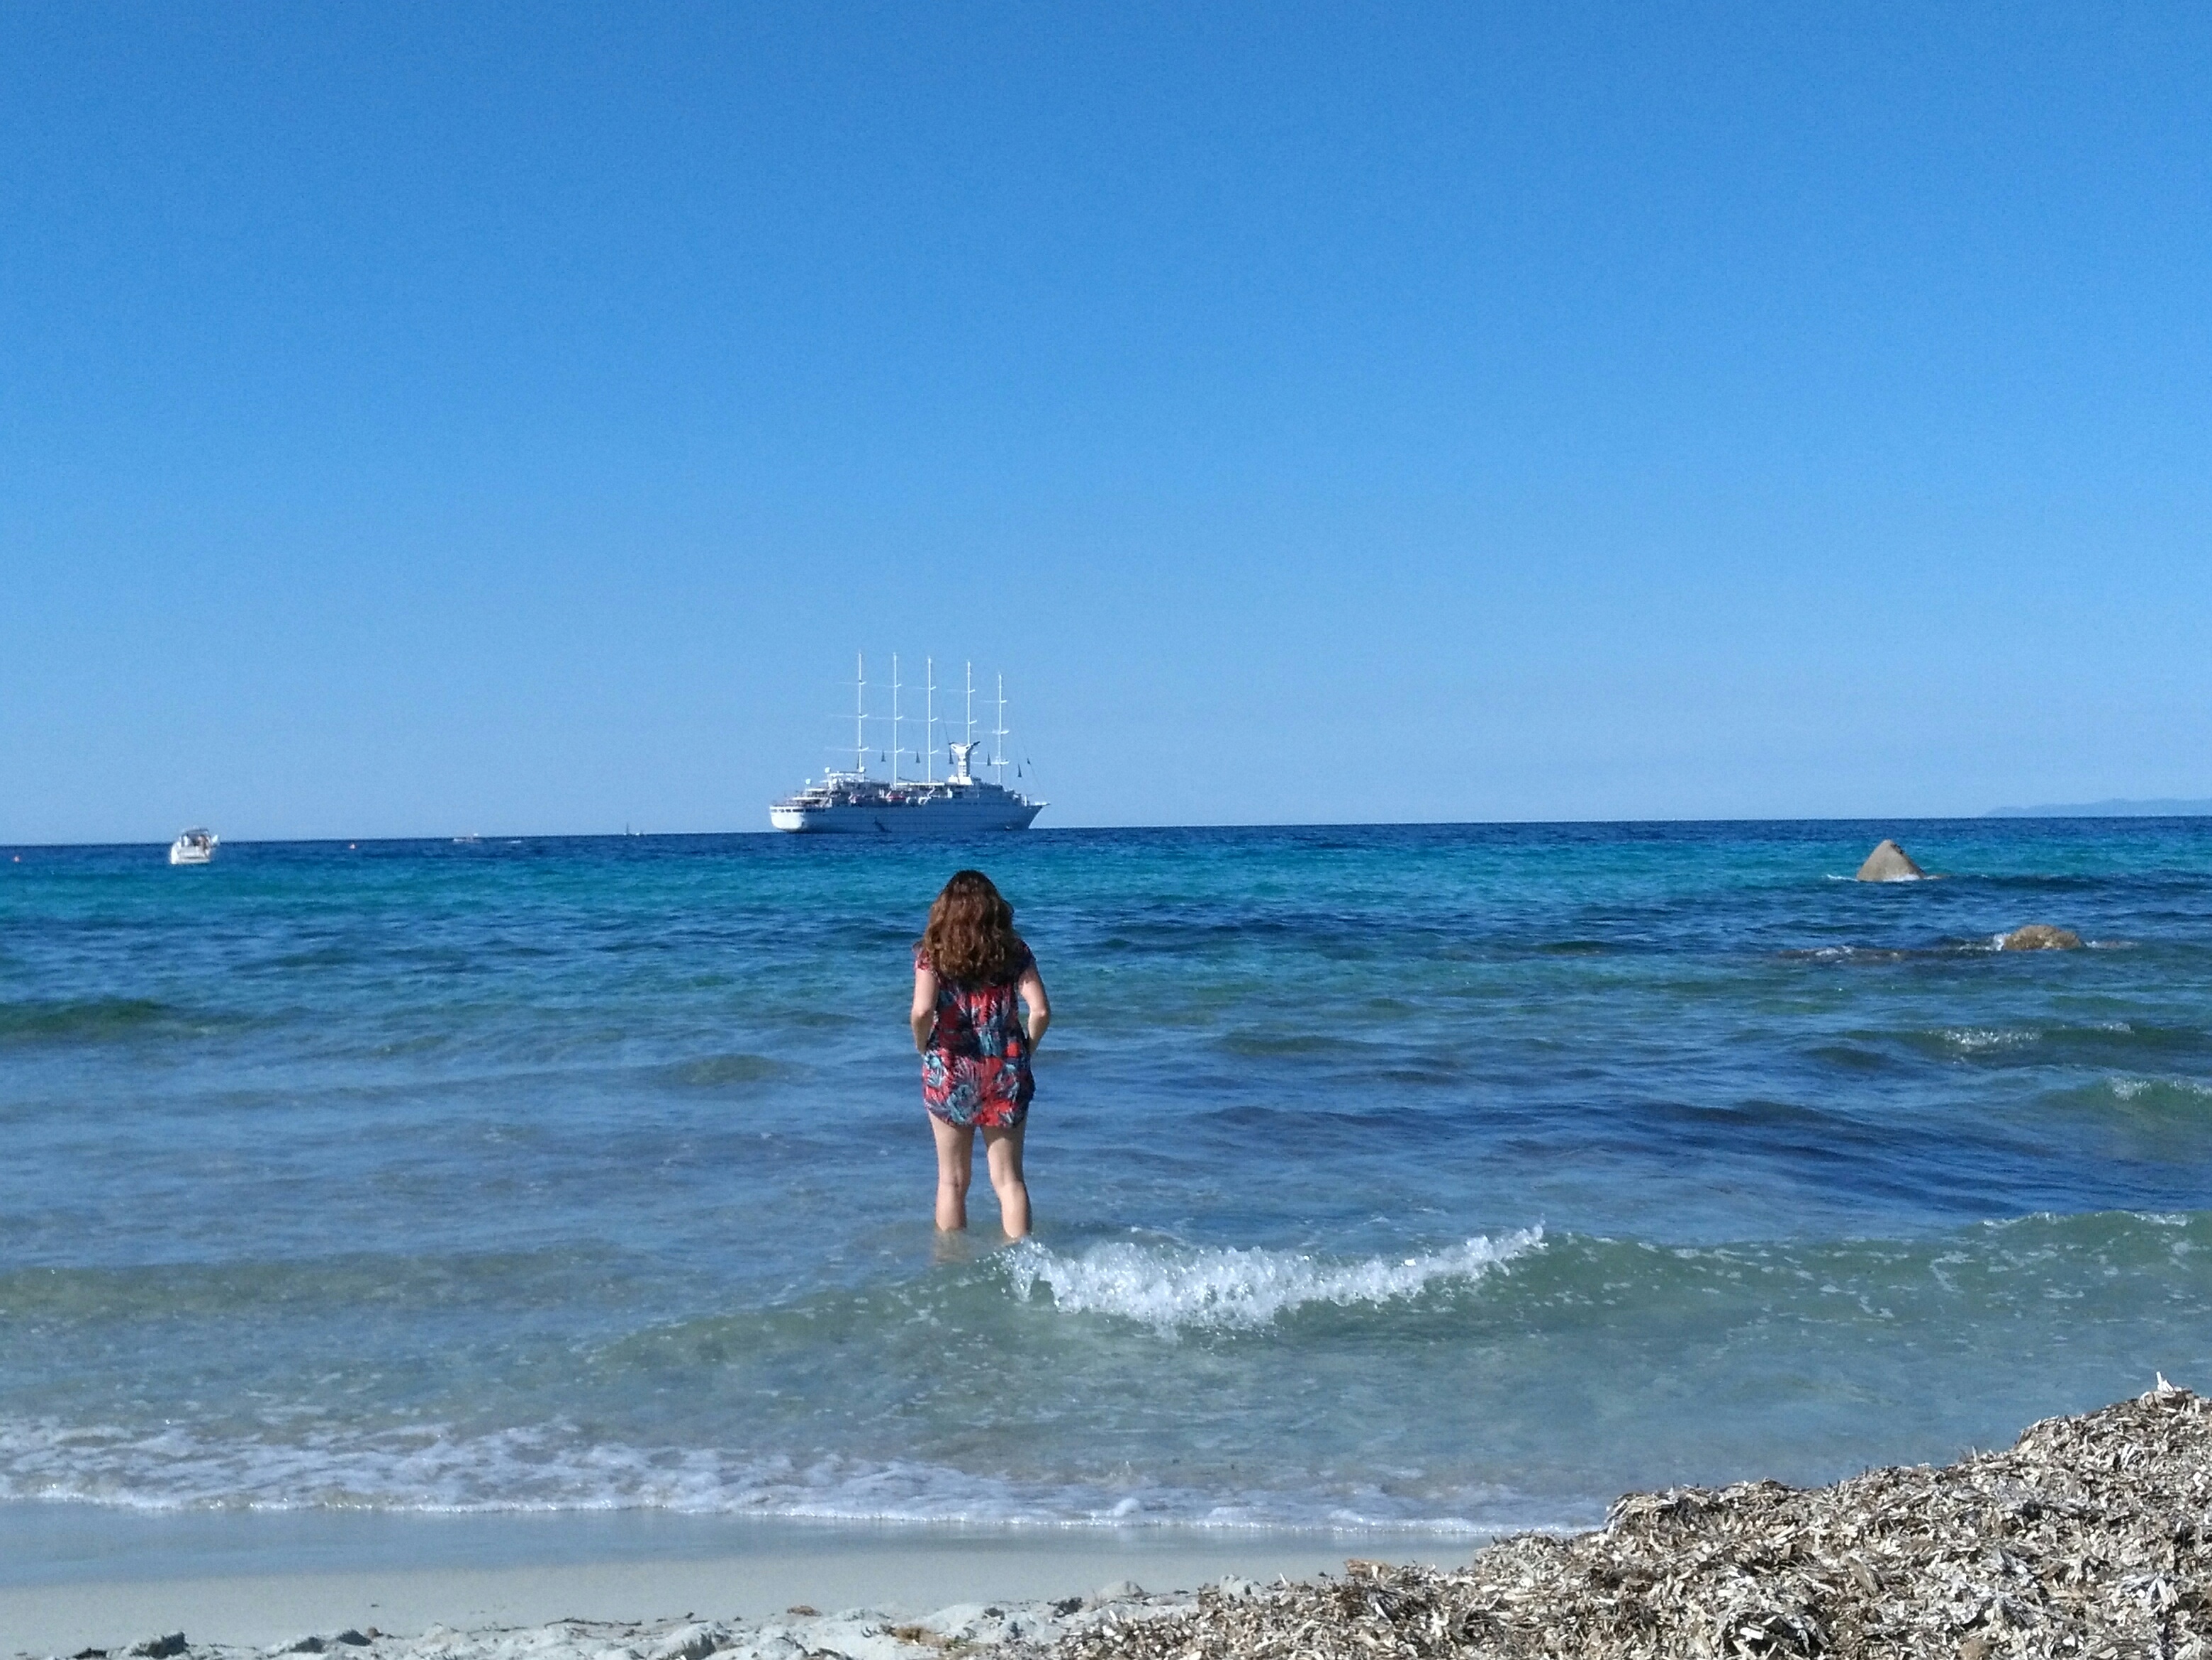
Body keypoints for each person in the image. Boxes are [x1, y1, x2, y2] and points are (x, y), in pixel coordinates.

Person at [910, 870, 1049, 1238]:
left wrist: (923, 1047)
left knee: (952, 1182)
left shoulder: (933, 953)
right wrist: (1026, 1049)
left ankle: (953, 1265)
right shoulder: (1014, 952)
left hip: (949, 1066)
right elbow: (1040, 1011)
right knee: (1010, 1180)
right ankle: (1024, 1262)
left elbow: (922, 1011)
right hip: (1006, 1067)